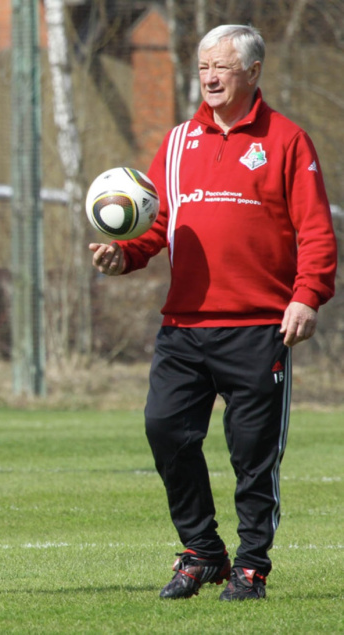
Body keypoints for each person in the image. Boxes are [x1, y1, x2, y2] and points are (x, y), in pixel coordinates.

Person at [89, 25, 337, 601]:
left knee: (253, 455)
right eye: (204, 66)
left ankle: (251, 567)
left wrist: (307, 294)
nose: (210, 77)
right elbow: (155, 226)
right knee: (163, 429)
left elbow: (317, 231)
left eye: (222, 66)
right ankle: (201, 552)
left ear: (253, 72)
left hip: (258, 326)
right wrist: (121, 254)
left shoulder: (287, 140)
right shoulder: (177, 143)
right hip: (184, 328)